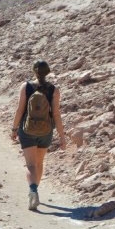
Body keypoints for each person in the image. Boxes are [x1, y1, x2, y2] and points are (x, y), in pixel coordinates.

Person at [11, 60, 67, 210]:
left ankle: (33, 191)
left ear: (34, 72)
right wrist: (62, 136)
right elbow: (56, 114)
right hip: (46, 131)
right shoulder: (53, 90)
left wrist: (14, 128)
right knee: (39, 163)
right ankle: (35, 190)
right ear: (47, 72)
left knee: (30, 165)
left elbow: (20, 110)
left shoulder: (26, 87)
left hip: (27, 130)